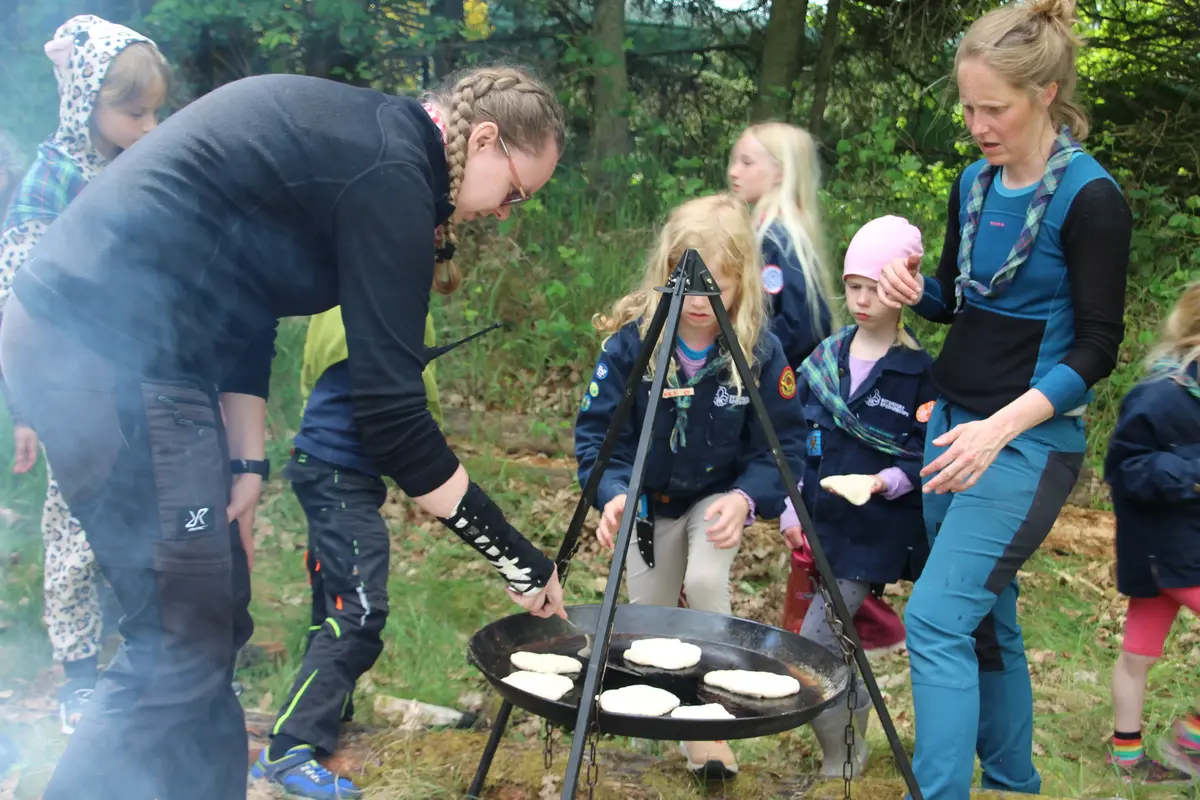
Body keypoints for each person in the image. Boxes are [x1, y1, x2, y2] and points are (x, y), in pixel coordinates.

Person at [0, 64, 568, 800]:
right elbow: (393, 419)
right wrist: (517, 556)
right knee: (177, 639)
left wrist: (245, 455)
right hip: (99, 352)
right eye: (515, 192)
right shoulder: (389, 172)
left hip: (134, 362)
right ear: (486, 139)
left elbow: (247, 291)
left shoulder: (374, 148)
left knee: (211, 626)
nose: (505, 213)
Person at [876, 1, 1132, 797]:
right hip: (954, 428)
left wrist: (1001, 428)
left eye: (996, 108)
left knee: (934, 620)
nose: (978, 124)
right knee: (988, 616)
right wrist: (920, 293)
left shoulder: (1092, 201)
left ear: (1048, 92)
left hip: (1025, 443)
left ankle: (941, 788)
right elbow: (966, 298)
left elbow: (1096, 348)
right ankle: (1014, 779)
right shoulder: (974, 181)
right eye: (968, 106)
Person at [575, 193, 809, 780]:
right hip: (646, 503)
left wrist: (746, 497)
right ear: (665, 274)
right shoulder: (633, 345)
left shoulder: (756, 350)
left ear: (743, 285)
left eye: (719, 289)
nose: (703, 303)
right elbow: (597, 441)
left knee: (705, 582)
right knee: (649, 620)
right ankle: (658, 716)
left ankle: (710, 729)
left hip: (714, 497)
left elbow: (781, 448)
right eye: (690, 287)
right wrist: (614, 495)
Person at [0, 14, 170, 735]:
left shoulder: (139, 164)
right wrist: (28, 406)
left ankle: (143, 657)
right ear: (84, 104)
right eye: (135, 112)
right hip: (70, 392)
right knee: (74, 536)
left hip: (137, 380)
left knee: (141, 526)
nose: (150, 123)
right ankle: (75, 678)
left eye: (155, 109)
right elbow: (18, 296)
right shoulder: (52, 177)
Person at [728, 121, 909, 655]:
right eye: (735, 160)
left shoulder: (776, 237)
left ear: (779, 173)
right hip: (803, 397)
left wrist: (749, 364)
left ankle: (862, 620)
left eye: (747, 162)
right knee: (799, 514)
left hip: (802, 402)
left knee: (801, 505)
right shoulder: (775, 227)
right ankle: (815, 626)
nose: (734, 172)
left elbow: (799, 325)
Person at [256, 306, 445, 798]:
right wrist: (430, 469)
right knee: (358, 611)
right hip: (338, 472)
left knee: (334, 605)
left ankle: (322, 723)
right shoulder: (382, 291)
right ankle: (288, 747)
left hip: (324, 465)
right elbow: (401, 401)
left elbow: (311, 379)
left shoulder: (345, 291)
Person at [780, 215, 935, 777]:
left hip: (871, 539)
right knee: (837, 647)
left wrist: (880, 482)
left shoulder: (918, 373)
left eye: (875, 288)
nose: (863, 300)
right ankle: (854, 733)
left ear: (902, 292)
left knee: (812, 647)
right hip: (817, 526)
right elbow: (796, 442)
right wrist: (787, 507)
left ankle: (839, 756)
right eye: (854, 287)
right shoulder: (823, 361)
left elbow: (923, 456)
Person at [1105, 281, 1200, 783]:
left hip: (1178, 548)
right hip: (1167, 551)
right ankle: (1192, 742)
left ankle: (1127, 756)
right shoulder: (1161, 396)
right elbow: (1125, 470)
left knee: (1138, 650)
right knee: (1137, 651)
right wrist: (1192, 473)